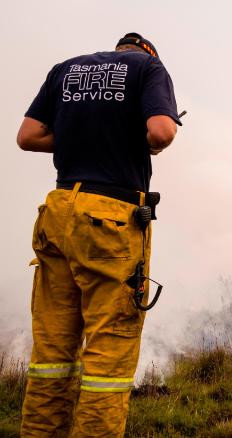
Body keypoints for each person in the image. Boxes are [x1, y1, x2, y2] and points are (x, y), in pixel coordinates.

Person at [16, 33, 181, 436]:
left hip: (58, 212)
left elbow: (28, 136)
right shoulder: (148, 69)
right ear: (147, 53)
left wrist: (82, 138)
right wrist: (132, 138)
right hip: (110, 219)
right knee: (109, 358)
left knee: (51, 356)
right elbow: (160, 133)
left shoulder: (65, 69)